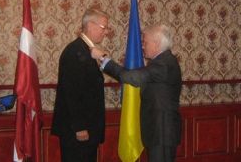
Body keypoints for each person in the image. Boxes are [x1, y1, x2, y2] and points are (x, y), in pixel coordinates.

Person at [91, 24, 182, 162]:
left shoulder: (164, 63)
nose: (143, 46)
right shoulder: (162, 61)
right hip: (159, 131)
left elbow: (130, 77)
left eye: (145, 42)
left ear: (156, 43)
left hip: (162, 132)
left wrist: (103, 59)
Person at [51, 9, 109, 162]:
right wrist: (79, 126)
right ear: (90, 25)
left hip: (87, 128)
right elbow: (71, 92)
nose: (106, 32)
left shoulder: (86, 50)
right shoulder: (75, 51)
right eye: (104, 27)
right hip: (78, 131)